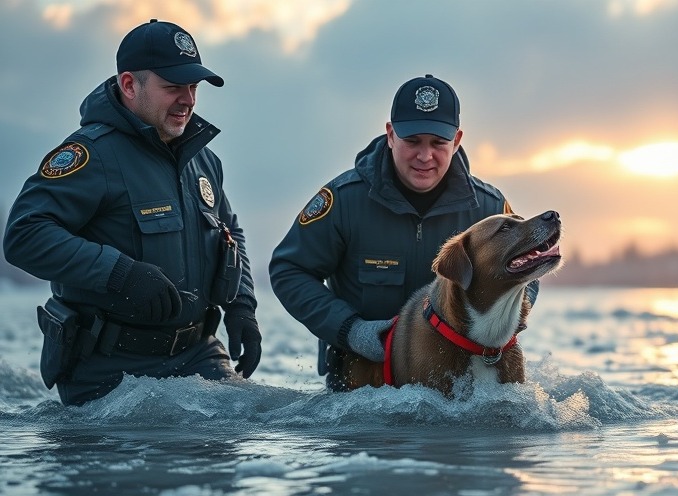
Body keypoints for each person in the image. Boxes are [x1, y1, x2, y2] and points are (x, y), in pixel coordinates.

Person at [3, 19, 261, 406]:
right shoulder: (91, 155)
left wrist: (242, 307)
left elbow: (229, 232)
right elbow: (25, 235)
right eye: (173, 87)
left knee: (262, 423)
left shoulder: (204, 160)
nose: (189, 99)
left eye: (193, 87)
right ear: (129, 85)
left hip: (198, 355)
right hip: (110, 370)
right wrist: (121, 273)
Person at [269, 74, 537, 391]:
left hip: (468, 386)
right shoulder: (344, 201)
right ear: (391, 135)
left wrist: (505, 321)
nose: (425, 156)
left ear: (457, 140)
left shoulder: (489, 210)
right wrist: (349, 330)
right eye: (412, 142)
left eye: (438, 143)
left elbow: (528, 270)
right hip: (362, 389)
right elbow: (289, 270)